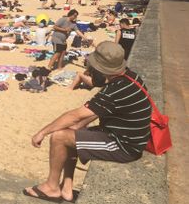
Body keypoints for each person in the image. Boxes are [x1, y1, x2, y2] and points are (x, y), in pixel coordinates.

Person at [23, 42, 152, 203]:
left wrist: (42, 132)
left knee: (59, 137)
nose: (90, 70)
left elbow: (76, 115)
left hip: (124, 146)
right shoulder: (130, 77)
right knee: (72, 130)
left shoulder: (115, 91)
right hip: (129, 136)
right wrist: (75, 127)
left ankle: (51, 187)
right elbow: (86, 117)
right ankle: (67, 187)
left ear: (101, 69)